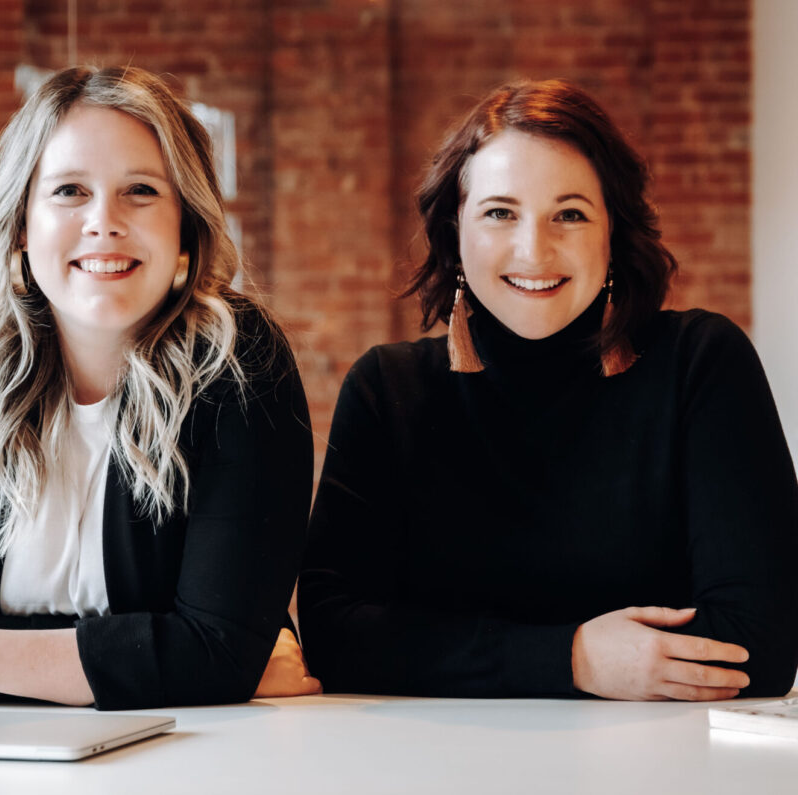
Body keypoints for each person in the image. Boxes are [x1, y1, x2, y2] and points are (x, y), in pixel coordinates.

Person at [298, 79, 798, 701]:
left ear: (612, 233)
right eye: (499, 213)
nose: (533, 250)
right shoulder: (387, 390)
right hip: (436, 763)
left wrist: (442, 651)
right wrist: (571, 658)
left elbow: (761, 649)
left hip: (659, 766)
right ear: (456, 234)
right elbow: (333, 636)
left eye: (570, 214)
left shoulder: (700, 364)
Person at [0, 66, 320, 709]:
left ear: (185, 226)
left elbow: (218, 653)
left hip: (198, 757)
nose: (104, 222)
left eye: (140, 191)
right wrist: (176, 661)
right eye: (70, 191)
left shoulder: (240, 360)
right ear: (22, 222)